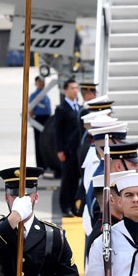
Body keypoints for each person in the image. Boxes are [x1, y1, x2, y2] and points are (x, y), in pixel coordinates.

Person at [54, 78, 83, 217]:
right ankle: (64, 206)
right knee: (66, 179)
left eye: (76, 88)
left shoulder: (80, 108)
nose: (75, 91)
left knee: (75, 179)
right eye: (72, 88)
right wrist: (60, 150)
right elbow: (57, 132)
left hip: (77, 151)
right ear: (65, 90)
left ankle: (73, 205)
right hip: (67, 150)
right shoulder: (61, 109)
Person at [29, 76, 53, 170]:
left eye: (43, 82)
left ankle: (47, 164)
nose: (41, 84)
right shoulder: (34, 95)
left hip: (47, 119)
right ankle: (40, 165)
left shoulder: (46, 95)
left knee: (47, 143)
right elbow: (30, 110)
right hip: (39, 119)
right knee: (39, 142)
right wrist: (31, 120)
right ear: (36, 83)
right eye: (39, 82)